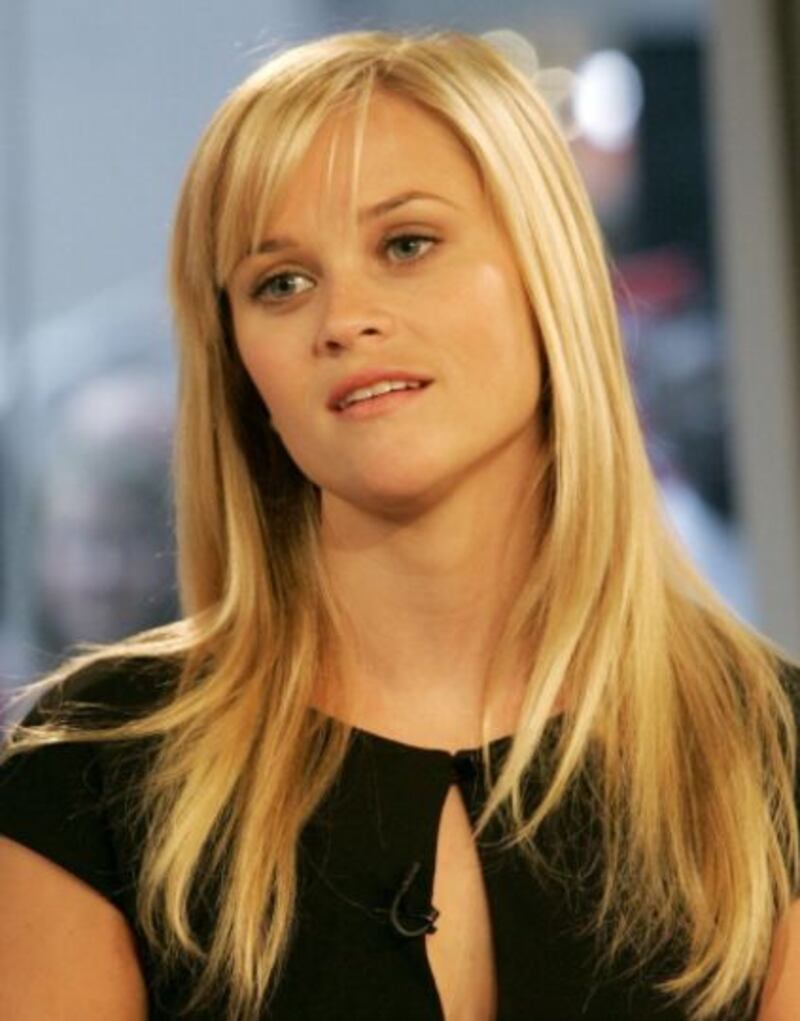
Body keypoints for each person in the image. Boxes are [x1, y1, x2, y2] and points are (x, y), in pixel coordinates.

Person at [0, 26, 798, 1021]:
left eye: (407, 244)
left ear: (546, 274)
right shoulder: (93, 766)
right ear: (240, 366)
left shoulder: (763, 753)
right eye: (280, 282)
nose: (344, 319)